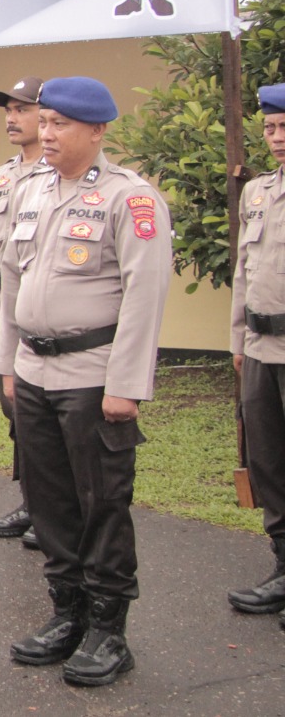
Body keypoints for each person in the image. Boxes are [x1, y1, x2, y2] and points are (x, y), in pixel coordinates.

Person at [0, 76, 170, 687]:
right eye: (44, 123)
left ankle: (107, 629)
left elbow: (145, 297)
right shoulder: (32, 190)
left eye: (60, 124)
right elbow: (11, 280)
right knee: (48, 502)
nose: (47, 134)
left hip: (94, 377)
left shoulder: (131, 198)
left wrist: (127, 384)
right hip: (35, 371)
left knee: (101, 503)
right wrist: (8, 365)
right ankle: (66, 613)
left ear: (97, 131)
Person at [0, 77, 48, 543]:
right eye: (8, 109)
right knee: (15, 411)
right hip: (8, 308)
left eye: (22, 109)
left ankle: (51, 510)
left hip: (42, 311)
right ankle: (32, 501)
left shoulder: (54, 171)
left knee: (39, 415)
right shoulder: (4, 174)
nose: (12, 117)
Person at [230, 82, 285, 626]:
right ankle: (281, 566)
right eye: (270, 128)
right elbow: (244, 274)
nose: (277, 137)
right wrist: (238, 341)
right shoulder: (259, 193)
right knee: (268, 461)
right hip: (262, 345)